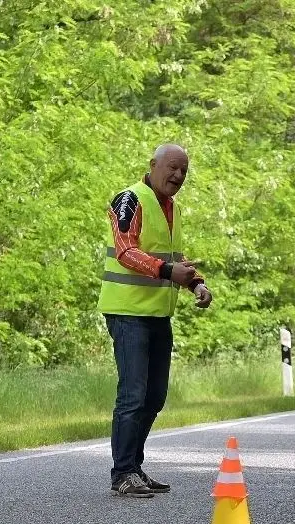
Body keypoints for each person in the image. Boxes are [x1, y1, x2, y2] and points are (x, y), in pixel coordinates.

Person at [97, 143, 213, 498]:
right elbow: (126, 250)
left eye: (183, 171)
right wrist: (167, 271)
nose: (177, 175)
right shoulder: (130, 199)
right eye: (172, 167)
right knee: (133, 395)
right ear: (153, 165)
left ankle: (134, 467)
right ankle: (122, 473)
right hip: (128, 312)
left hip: (158, 314)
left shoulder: (172, 208)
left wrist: (195, 283)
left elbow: (173, 258)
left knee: (155, 397)